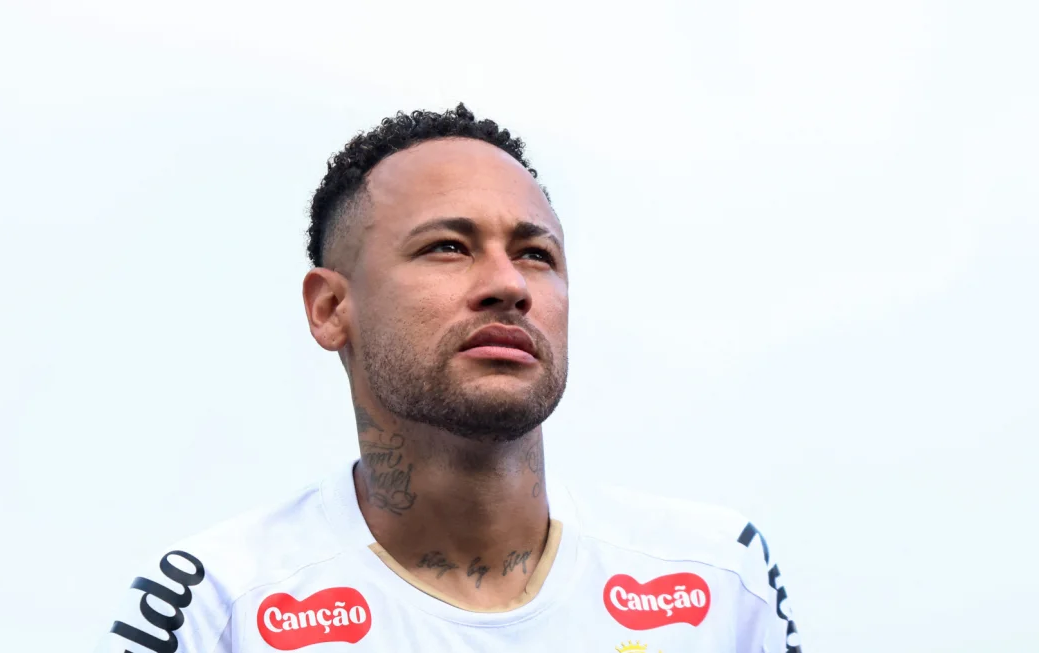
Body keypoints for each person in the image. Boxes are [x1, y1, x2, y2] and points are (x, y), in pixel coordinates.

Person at [98, 104, 801, 652]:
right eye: (447, 247)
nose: (506, 285)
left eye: (534, 254)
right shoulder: (218, 605)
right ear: (331, 307)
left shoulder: (716, 580)